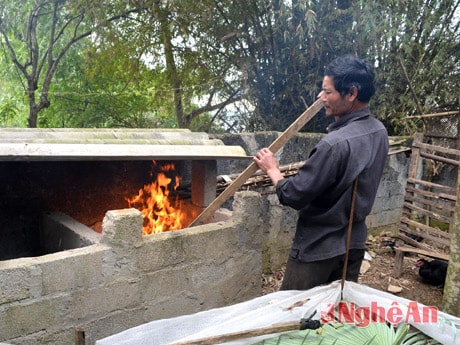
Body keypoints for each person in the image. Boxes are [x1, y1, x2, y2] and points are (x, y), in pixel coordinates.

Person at [253, 55, 389, 290]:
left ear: (352, 93)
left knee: (294, 313)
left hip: (317, 249)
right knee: (335, 313)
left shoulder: (333, 145)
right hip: (353, 244)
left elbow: (294, 194)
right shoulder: (379, 132)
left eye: (327, 92)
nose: (321, 97)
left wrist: (272, 169)